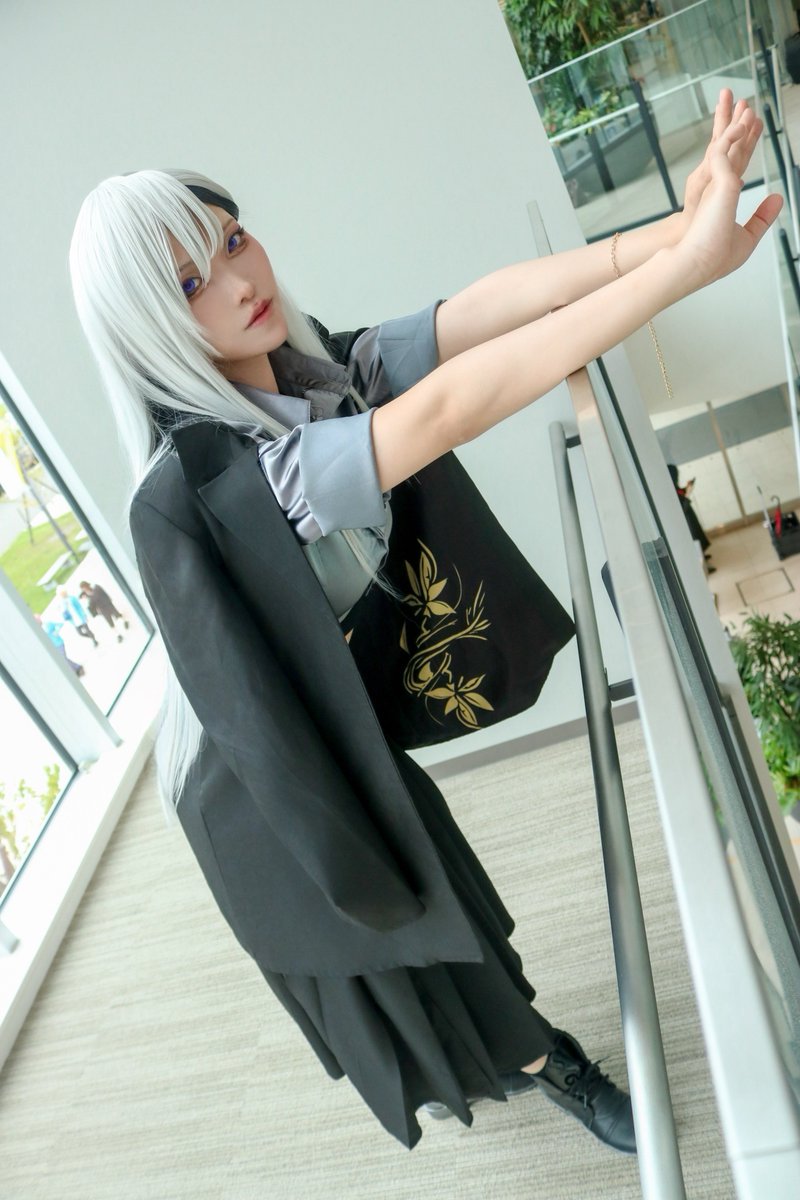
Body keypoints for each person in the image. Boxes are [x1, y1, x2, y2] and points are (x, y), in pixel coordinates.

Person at [67, 89, 779, 1154]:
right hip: (265, 791)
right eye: (188, 283)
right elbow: (450, 407)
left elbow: (475, 313)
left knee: (447, 910)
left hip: (327, 730)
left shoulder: (308, 376)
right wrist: (684, 271)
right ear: (150, 327)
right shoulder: (239, 475)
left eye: (232, 240)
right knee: (407, 953)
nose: (239, 282)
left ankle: (528, 1051)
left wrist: (677, 232)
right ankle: (555, 1067)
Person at [667, 463, 716, 573]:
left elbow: (680, 493)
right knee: (695, 539)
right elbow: (681, 506)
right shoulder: (669, 490)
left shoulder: (673, 487)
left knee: (699, 536)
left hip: (689, 516)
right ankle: (704, 566)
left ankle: (703, 555)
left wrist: (686, 488)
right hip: (686, 521)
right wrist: (687, 494)